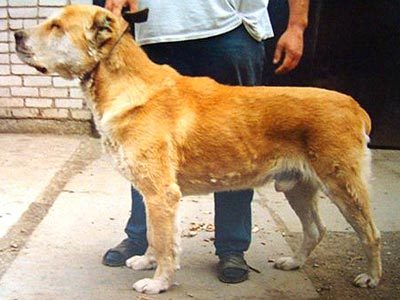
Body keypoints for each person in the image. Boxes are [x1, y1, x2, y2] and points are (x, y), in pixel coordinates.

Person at [96, 0, 308, 284]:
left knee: (236, 144)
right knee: (145, 151)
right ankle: (144, 241)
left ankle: (232, 247)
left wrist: (296, 25)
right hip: (156, 33)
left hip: (229, 28)